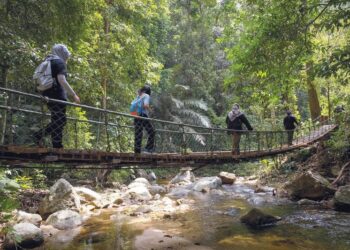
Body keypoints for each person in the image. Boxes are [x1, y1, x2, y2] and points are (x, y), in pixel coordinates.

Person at [33, 44, 80, 148]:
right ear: (62, 53)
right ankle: (42, 136)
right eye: (66, 54)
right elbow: (62, 80)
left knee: (57, 120)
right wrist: (74, 95)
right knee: (60, 120)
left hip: (47, 94)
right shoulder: (59, 62)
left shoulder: (48, 61)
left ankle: (56, 144)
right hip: (57, 95)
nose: (67, 57)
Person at [134, 85, 155, 154]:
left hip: (136, 116)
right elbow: (146, 105)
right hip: (143, 116)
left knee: (138, 133)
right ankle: (148, 149)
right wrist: (150, 109)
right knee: (152, 131)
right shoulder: (146, 96)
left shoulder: (138, 96)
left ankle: (137, 151)